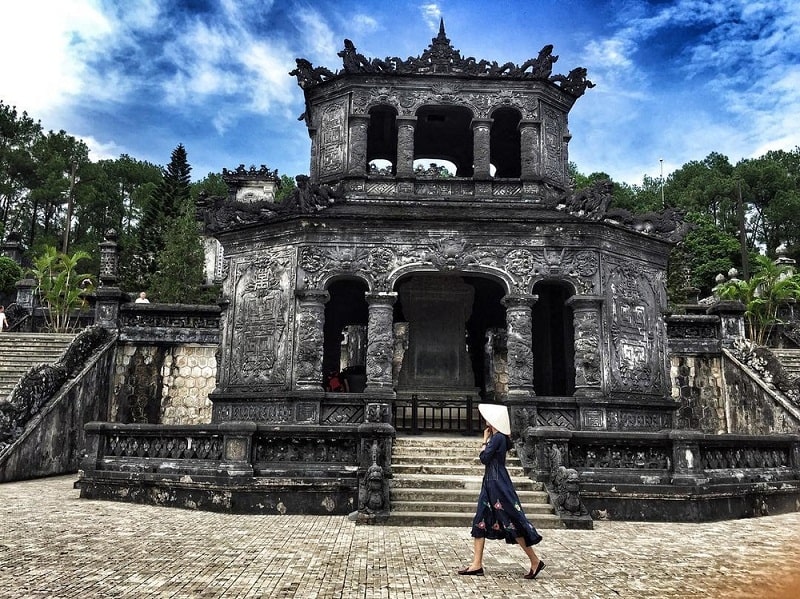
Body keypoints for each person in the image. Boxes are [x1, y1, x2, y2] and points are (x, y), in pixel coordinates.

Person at [458, 403, 546, 580]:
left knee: (511, 521)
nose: (485, 421)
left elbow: (484, 458)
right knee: (480, 521)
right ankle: (476, 564)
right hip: (491, 482)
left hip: (497, 484)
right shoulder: (498, 438)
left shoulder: (497, 438)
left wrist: (484, 441)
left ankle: (535, 560)